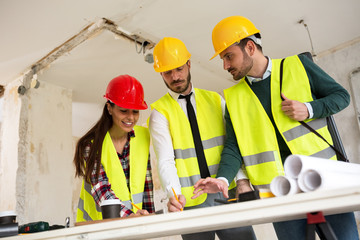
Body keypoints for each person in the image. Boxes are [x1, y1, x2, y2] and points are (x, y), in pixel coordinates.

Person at [192, 16, 359, 240]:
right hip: (278, 192)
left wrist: (309, 109)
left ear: (250, 47)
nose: (225, 66)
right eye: (223, 59)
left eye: (228, 56)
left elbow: (342, 97)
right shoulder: (233, 97)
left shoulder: (298, 65)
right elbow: (233, 147)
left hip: (323, 181)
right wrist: (222, 179)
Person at [148, 37, 256, 240]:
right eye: (168, 72)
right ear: (161, 74)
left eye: (179, 69)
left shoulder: (216, 99)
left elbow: (233, 145)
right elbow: (165, 160)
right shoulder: (159, 113)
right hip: (189, 203)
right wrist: (173, 194)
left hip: (227, 194)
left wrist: (241, 181)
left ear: (189, 64)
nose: (175, 76)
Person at [74, 74, 154, 222]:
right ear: (110, 108)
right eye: (124, 111)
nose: (131, 117)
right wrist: (130, 216)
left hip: (134, 225)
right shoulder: (91, 145)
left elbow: (146, 186)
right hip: (99, 227)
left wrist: (149, 220)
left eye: (135, 111)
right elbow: (101, 190)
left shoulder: (143, 136)